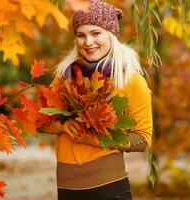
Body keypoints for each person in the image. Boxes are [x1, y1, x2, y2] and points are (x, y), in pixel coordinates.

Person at [41, 0, 153, 199]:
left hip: (108, 186)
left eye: (96, 33)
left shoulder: (130, 80)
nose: (88, 42)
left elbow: (143, 139)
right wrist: (61, 127)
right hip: (68, 186)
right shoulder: (65, 76)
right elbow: (39, 121)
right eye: (81, 35)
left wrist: (94, 140)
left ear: (111, 35)